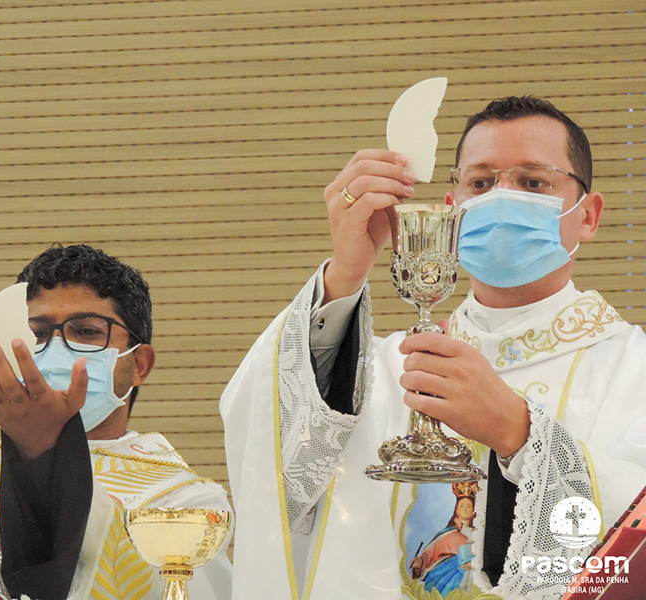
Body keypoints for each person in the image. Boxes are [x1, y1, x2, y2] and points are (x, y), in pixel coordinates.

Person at [221, 96, 646, 599]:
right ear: (451, 211)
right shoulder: (388, 368)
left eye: (533, 182)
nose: (501, 198)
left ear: (588, 215)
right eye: (480, 184)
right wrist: (343, 277)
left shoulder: (633, 369)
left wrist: (521, 436)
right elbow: (266, 443)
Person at [0, 244, 232, 600]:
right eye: (38, 334)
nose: (55, 349)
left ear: (139, 365)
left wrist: (43, 453)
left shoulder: (183, 504)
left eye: (86, 331)